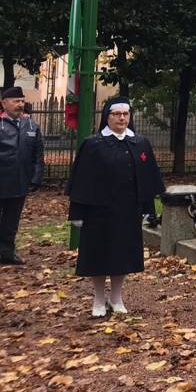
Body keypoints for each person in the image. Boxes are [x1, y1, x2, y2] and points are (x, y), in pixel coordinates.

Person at [67, 97, 164, 316]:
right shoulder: (93, 144)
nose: (122, 118)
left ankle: (117, 297)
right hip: (98, 211)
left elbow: (147, 179)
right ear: (106, 117)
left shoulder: (140, 143)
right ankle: (99, 299)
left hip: (128, 211)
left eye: (125, 114)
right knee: (97, 254)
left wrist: (148, 209)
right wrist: (78, 212)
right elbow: (81, 180)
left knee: (123, 254)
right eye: (116, 114)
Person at [0, 86, 44, 265]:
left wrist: (36, 177)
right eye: (16, 101)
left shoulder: (32, 125)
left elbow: (38, 155)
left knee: (11, 221)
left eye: (22, 101)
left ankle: (7, 252)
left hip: (19, 182)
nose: (20, 105)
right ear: (3, 103)